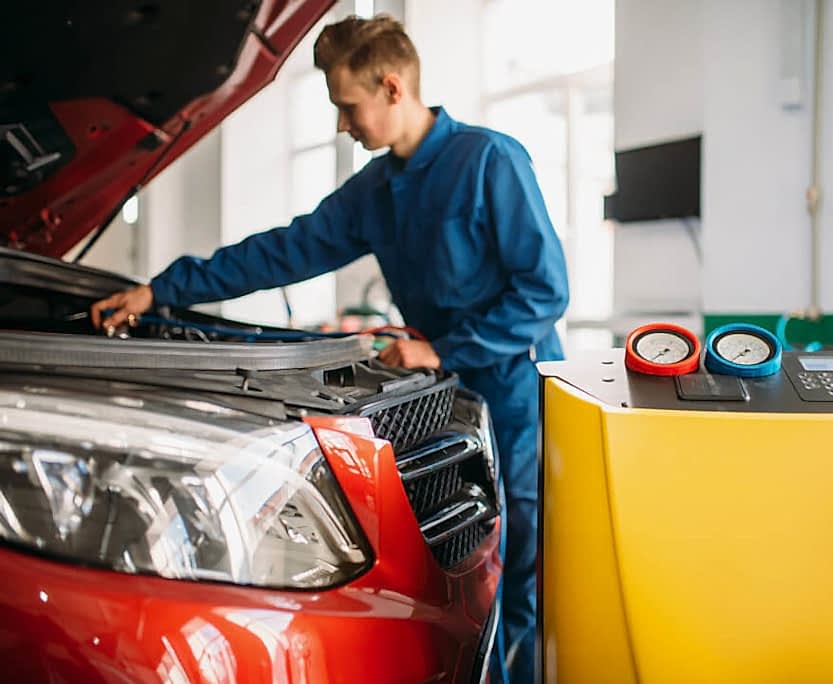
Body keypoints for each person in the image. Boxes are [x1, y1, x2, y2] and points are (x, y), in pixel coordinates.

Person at [90, 14, 568, 683]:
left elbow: (545, 291)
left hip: (516, 394)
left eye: (349, 107)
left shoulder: (490, 160)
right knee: (460, 565)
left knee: (519, 567)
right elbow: (280, 252)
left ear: (393, 88)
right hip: (445, 400)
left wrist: (445, 349)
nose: (344, 126)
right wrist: (160, 291)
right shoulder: (376, 192)